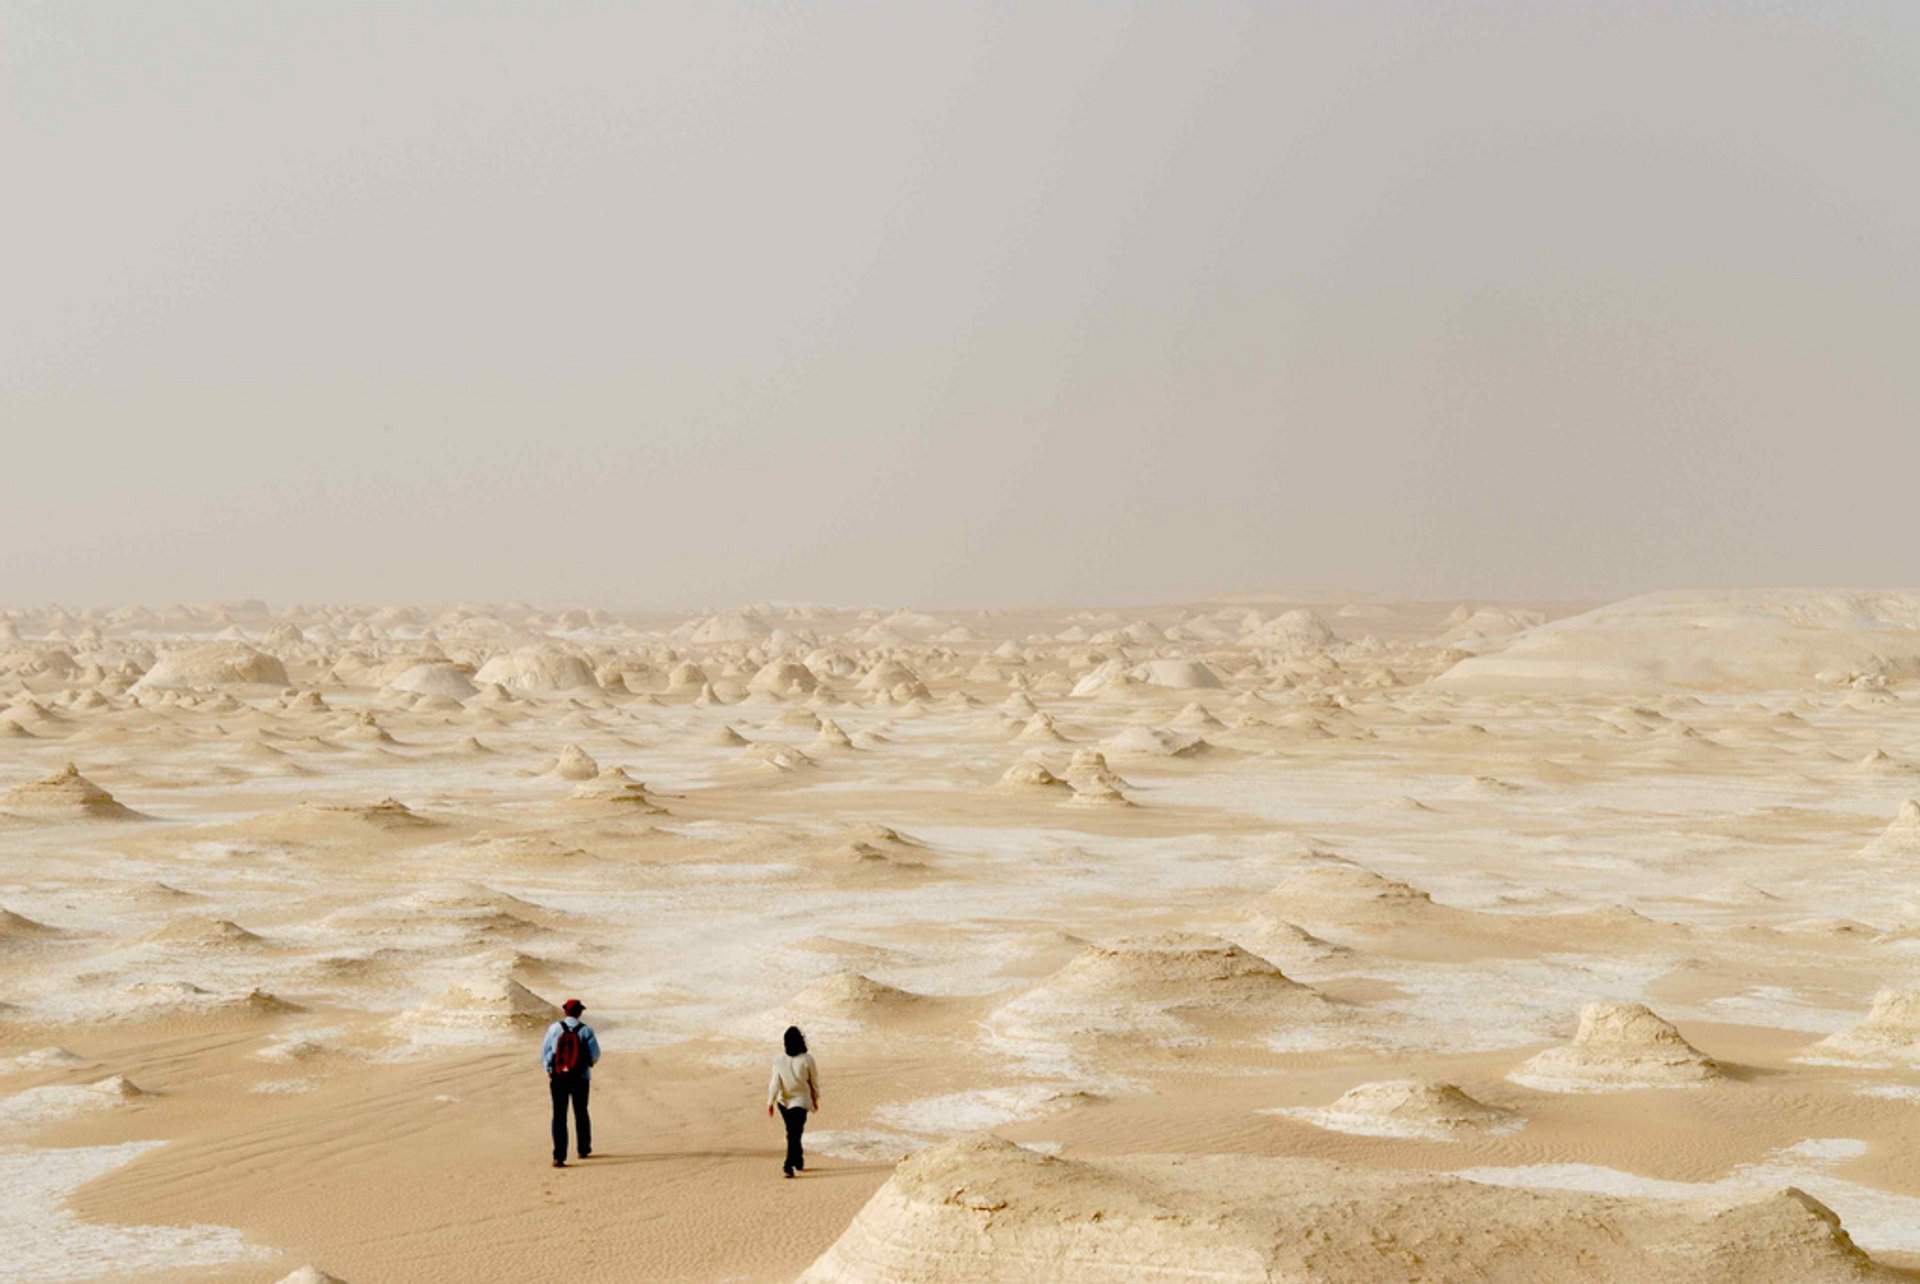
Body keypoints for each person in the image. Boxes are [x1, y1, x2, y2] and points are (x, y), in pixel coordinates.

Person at [541, 998, 600, 1168]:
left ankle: (559, 1156)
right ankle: (583, 1148)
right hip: (580, 1077)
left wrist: (549, 1070)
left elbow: (546, 1052)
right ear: (580, 1012)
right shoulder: (586, 1030)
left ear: (565, 1011)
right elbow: (595, 1054)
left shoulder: (554, 1029)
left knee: (559, 1116)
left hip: (559, 1077)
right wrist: (584, 1066)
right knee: (581, 1111)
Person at [766, 1025, 819, 1178]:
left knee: (793, 1132)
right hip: (800, 1101)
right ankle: (789, 1164)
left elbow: (775, 1082)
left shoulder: (778, 1060)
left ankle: (798, 1158)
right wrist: (816, 1098)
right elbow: (814, 1082)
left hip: (783, 1101)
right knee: (794, 1132)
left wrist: (771, 1101)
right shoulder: (807, 1060)